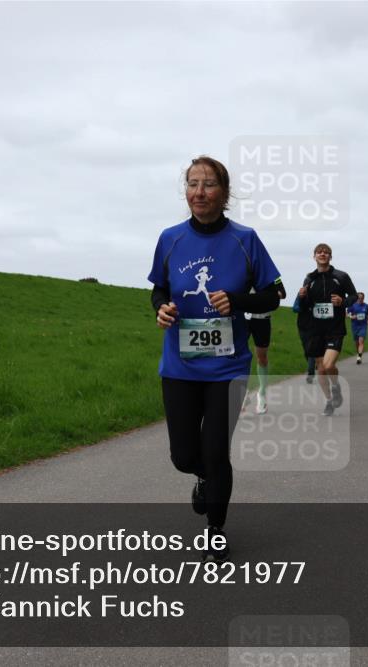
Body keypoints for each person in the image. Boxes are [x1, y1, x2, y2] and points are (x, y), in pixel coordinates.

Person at [149, 156, 282, 563]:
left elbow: (274, 294)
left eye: (208, 185)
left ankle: (215, 531)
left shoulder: (245, 239)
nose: (199, 192)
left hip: (227, 367)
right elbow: (159, 289)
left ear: (224, 193)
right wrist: (162, 309)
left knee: (215, 449)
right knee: (183, 457)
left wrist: (237, 300)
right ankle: (203, 477)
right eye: (192, 184)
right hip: (180, 366)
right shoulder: (170, 238)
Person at [296, 244, 357, 416]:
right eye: (319, 252)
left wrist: (342, 302)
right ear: (314, 256)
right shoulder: (309, 278)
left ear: (331, 257)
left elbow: (353, 296)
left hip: (334, 328)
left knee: (329, 364)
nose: (322, 254)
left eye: (326, 252)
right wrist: (302, 297)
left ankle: (336, 386)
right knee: (321, 369)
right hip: (315, 329)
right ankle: (329, 400)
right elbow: (305, 305)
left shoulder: (341, 277)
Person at [245, 279, 287, 414]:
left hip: (262, 319)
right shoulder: (242, 267)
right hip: (243, 318)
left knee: (261, 357)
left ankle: (261, 393)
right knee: (239, 355)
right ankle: (243, 393)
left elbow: (282, 293)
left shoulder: (270, 274)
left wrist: (265, 297)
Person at [293, 294, 316, 383]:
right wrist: (303, 306)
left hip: (315, 327)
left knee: (310, 350)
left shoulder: (318, 293)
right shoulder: (300, 295)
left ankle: (310, 373)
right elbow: (295, 308)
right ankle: (312, 364)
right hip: (302, 326)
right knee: (306, 350)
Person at [347, 292, 368, 364]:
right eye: (359, 298)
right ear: (357, 298)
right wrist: (351, 316)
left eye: (362, 298)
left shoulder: (366, 306)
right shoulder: (353, 306)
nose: (361, 299)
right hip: (355, 326)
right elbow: (347, 313)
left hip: (363, 326)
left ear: (364, 298)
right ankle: (358, 353)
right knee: (356, 343)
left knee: (361, 341)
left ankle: (359, 357)